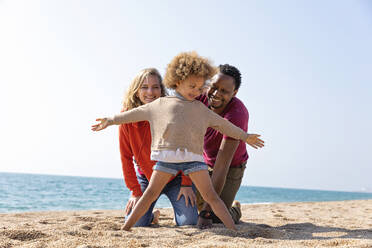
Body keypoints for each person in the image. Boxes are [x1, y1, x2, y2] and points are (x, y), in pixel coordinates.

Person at [92, 51, 264, 231]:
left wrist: (245, 136)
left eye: (199, 88)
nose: (198, 92)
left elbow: (224, 125)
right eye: (193, 86)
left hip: (194, 163)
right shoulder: (161, 104)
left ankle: (234, 231)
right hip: (166, 161)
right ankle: (125, 229)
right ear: (178, 82)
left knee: (212, 197)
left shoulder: (201, 107)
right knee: (149, 194)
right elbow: (133, 114)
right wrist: (110, 120)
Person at [119, 68, 198, 227]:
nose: (150, 92)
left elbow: (189, 148)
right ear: (136, 91)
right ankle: (152, 215)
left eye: (155, 87)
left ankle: (179, 214)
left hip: (176, 176)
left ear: (161, 90)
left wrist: (186, 182)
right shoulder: (126, 117)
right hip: (147, 179)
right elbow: (126, 157)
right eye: (144, 87)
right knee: (136, 224)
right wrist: (135, 192)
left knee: (188, 222)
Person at [196, 64, 253, 228]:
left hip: (230, 168)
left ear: (234, 94)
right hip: (204, 163)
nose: (216, 94)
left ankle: (235, 209)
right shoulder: (199, 99)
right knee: (187, 203)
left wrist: (206, 212)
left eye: (224, 91)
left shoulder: (237, 115)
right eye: (214, 87)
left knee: (216, 216)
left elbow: (222, 166)